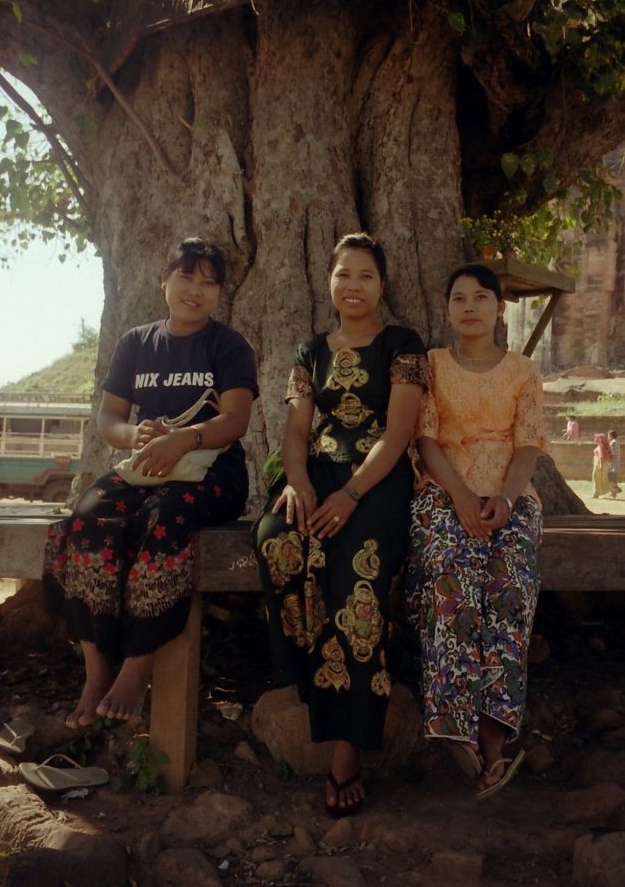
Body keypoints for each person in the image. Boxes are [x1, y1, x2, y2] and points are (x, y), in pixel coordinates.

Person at [44, 238, 258, 728]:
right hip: (144, 467)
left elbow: (236, 419)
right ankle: (96, 671)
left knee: (162, 521)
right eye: (186, 278)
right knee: (86, 518)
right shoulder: (135, 343)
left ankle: (139, 666)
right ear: (164, 279)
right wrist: (133, 435)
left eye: (209, 283)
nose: (195, 291)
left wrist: (182, 440)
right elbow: (110, 418)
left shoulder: (228, 345)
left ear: (220, 294)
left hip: (212, 473)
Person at [254, 233, 428, 818]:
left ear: (382, 286)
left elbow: (399, 434)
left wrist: (352, 495)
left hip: (376, 482)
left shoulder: (402, 344)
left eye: (366, 276)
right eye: (343, 275)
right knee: (277, 542)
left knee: (357, 577)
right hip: (318, 473)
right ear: (329, 283)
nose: (353, 286)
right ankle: (314, 685)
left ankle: (347, 747)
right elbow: (296, 433)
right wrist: (299, 483)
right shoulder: (310, 351)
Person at [408, 264, 548, 800]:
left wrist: (506, 501)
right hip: (442, 495)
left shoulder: (523, 372)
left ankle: (493, 733)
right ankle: (454, 724)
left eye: (481, 297)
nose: (469, 306)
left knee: (509, 584)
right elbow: (425, 441)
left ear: (499, 308)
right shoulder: (432, 366)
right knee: (451, 574)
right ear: (447, 309)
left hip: (510, 498)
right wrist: (462, 498)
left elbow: (528, 445)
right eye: (459, 298)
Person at [592, 433, 614, 499]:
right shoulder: (607, 446)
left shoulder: (600, 446)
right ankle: (612, 491)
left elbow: (601, 456)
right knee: (603, 479)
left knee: (596, 478)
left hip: (599, 464)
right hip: (605, 464)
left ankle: (596, 494)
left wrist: (600, 465)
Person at [607, 430, 621, 498]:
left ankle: (616, 489)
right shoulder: (616, 442)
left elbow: (612, 453)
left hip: (613, 464)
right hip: (616, 463)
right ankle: (613, 493)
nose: (608, 437)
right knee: (613, 478)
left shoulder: (613, 443)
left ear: (611, 436)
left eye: (608, 435)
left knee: (610, 478)